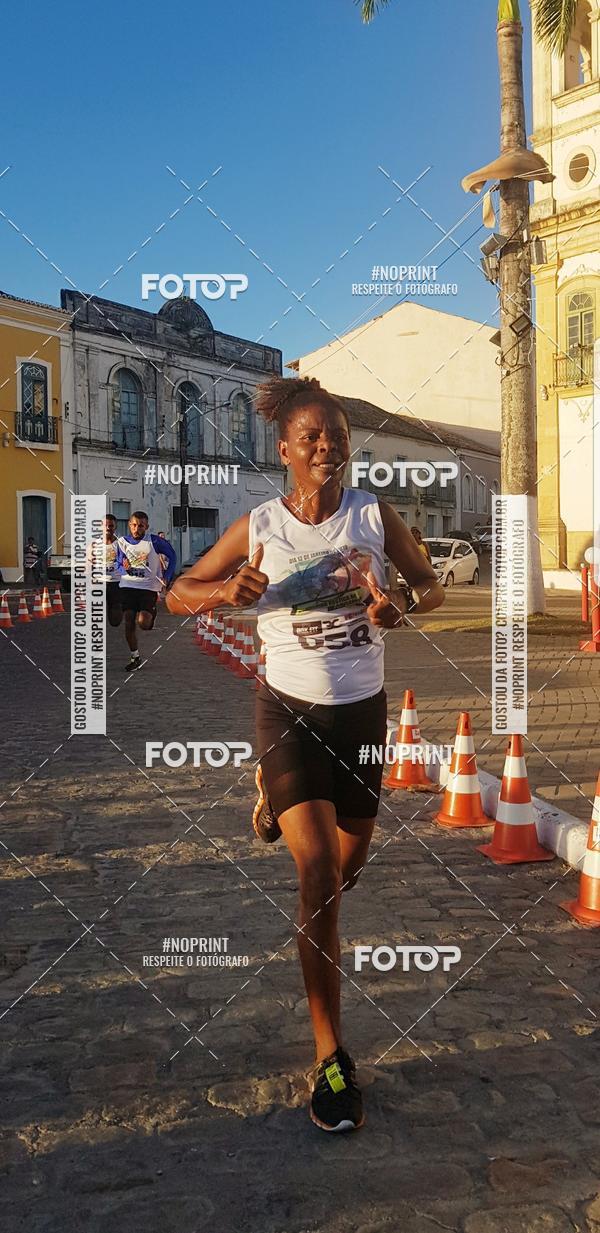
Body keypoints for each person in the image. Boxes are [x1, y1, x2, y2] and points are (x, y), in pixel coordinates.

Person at [167, 376, 444, 1133]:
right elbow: (175, 592)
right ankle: (331, 1057)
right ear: (285, 449)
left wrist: (401, 607)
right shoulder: (259, 524)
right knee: (318, 874)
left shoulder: (372, 514)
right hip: (287, 710)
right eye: (313, 436)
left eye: (339, 434)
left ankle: (271, 800)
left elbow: (429, 588)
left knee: (347, 870)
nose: (329, 446)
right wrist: (223, 591)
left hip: (363, 715)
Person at [118, 512, 176, 671]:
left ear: (147, 527)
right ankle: (135, 656)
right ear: (129, 525)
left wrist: (167, 576)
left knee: (143, 623)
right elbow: (117, 562)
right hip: (128, 585)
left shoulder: (155, 541)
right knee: (128, 620)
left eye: (141, 526)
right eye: (134, 525)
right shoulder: (122, 542)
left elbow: (172, 556)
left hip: (148, 587)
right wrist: (122, 566)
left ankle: (151, 616)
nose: (137, 529)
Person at [87, 514, 124, 627]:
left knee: (115, 621)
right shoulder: (93, 545)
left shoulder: (121, 544)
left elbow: (128, 565)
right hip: (99, 583)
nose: (108, 528)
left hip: (116, 583)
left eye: (111, 526)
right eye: (105, 525)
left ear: (115, 527)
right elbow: (87, 567)